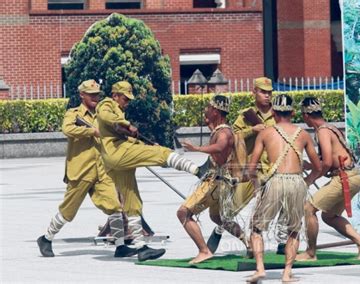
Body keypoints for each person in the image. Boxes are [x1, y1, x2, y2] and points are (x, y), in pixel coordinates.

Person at [96, 80, 204, 261]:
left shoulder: (118, 110)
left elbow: (117, 130)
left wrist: (135, 137)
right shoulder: (106, 104)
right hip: (117, 153)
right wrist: (127, 125)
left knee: (132, 201)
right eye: (125, 98)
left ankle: (140, 247)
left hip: (114, 159)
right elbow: (107, 117)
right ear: (115, 95)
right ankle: (196, 170)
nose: (127, 102)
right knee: (161, 153)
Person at [37, 79, 136, 258]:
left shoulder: (102, 114)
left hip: (101, 170)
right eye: (91, 95)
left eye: (97, 94)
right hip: (80, 171)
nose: (95, 98)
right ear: (82, 95)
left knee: (114, 206)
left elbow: (115, 135)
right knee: (68, 211)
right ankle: (46, 238)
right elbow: (67, 129)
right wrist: (91, 131)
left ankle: (120, 246)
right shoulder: (73, 114)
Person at [207, 77, 287, 255]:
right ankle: (223, 229)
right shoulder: (246, 115)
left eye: (269, 92)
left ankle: (282, 241)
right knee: (225, 213)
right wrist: (253, 130)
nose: (267, 96)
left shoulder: (278, 114)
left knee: (282, 204)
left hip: (274, 169)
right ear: (254, 92)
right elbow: (232, 137)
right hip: (251, 172)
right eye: (263, 92)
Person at [247, 94, 322, 282]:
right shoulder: (303, 134)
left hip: (275, 181)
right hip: (297, 182)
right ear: (293, 112)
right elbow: (318, 167)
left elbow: (251, 167)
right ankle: (287, 272)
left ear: (273, 112)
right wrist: (307, 182)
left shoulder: (265, 133)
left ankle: (260, 268)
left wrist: (258, 186)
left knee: (256, 228)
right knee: (294, 230)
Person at [296, 96, 360, 262]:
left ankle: (310, 253)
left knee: (309, 209)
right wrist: (310, 165)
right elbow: (330, 160)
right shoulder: (330, 128)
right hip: (352, 176)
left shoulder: (322, 131)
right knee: (328, 216)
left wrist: (309, 179)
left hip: (345, 177)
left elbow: (327, 163)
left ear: (306, 116)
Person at [178, 94, 249, 264]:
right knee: (218, 218)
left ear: (216, 111)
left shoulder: (224, 132)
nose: (206, 110)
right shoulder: (223, 130)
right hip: (221, 183)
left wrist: (197, 148)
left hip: (214, 182)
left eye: (209, 108)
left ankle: (204, 251)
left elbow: (220, 146)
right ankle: (250, 244)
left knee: (183, 213)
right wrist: (211, 126)